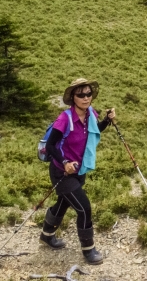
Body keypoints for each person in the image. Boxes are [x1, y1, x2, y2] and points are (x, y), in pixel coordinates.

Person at [40, 78, 116, 265]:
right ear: (73, 97)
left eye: (88, 93)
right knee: (84, 208)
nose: (85, 97)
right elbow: (50, 146)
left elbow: (95, 131)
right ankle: (88, 250)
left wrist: (107, 120)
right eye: (81, 94)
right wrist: (65, 162)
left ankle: (46, 235)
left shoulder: (91, 114)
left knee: (63, 203)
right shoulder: (64, 119)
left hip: (79, 169)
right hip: (62, 172)